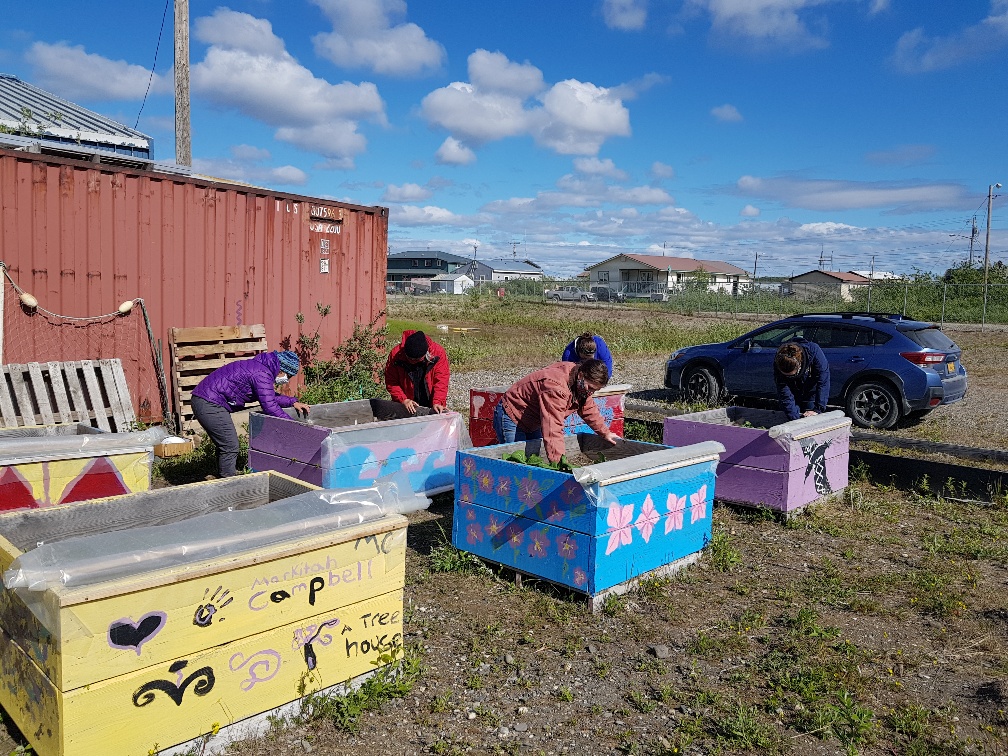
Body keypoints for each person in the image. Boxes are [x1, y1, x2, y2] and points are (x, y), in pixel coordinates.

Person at [191, 350, 309, 478]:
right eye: (288, 376)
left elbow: (267, 396)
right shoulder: (262, 373)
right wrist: (293, 425)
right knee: (230, 446)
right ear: (282, 371)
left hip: (206, 399)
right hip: (209, 403)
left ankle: (224, 475)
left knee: (226, 444)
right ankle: (228, 482)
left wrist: (292, 402)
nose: (286, 380)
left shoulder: (260, 368)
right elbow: (269, 406)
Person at [494, 358, 619, 463]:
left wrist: (605, 433)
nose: (590, 392)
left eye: (594, 391)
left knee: (534, 458)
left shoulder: (578, 381)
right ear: (581, 375)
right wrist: (560, 464)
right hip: (513, 415)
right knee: (516, 462)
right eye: (590, 388)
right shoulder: (556, 387)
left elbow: (588, 408)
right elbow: (552, 427)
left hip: (533, 419)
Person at [376, 330, 450, 420]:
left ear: (425, 354)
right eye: (409, 358)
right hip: (406, 405)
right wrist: (403, 399)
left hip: (430, 401)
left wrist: (438, 402)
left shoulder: (438, 353)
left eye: (416, 359)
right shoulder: (396, 355)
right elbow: (391, 382)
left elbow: (441, 382)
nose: (412, 361)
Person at [774, 340, 830, 421]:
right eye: (786, 375)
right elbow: (783, 390)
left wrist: (818, 409)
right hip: (793, 391)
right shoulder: (779, 360)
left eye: (792, 375)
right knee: (791, 414)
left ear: (799, 365)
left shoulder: (814, 352)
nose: (789, 377)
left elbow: (823, 382)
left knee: (811, 419)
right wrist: (794, 419)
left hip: (810, 390)